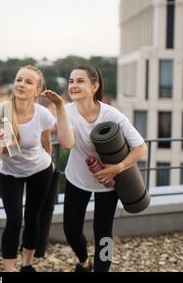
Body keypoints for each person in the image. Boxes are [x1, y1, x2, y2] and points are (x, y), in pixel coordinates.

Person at [43, 66, 147, 272]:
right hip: (77, 178)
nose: (74, 85)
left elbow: (141, 147)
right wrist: (61, 108)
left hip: (109, 182)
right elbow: (66, 143)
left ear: (94, 86)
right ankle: (84, 262)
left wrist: (118, 167)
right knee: (71, 230)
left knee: (104, 233)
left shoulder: (112, 114)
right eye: (71, 81)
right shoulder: (67, 111)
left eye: (80, 81)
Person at [0, 66, 56, 272]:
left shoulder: (43, 114)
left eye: (28, 82)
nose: (21, 84)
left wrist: (51, 164)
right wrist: (0, 141)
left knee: (32, 218)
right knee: (14, 220)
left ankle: (27, 265)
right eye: (19, 80)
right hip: (9, 171)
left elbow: (46, 144)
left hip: (39, 170)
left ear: (37, 90)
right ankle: (9, 269)